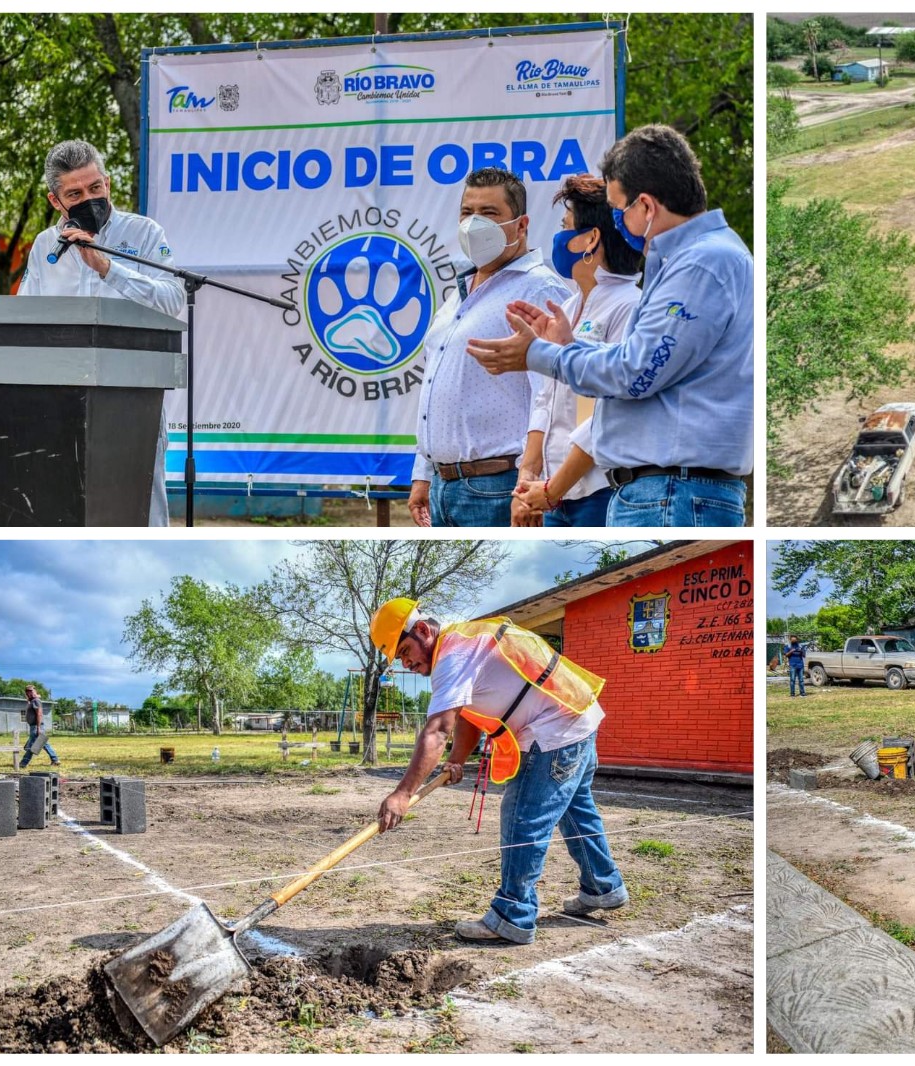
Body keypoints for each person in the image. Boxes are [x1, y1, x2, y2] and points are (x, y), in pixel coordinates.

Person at [469, 125, 752, 527]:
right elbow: (641, 364)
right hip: (662, 490)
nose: (619, 222)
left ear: (647, 207)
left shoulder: (701, 263)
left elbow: (635, 374)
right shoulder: (692, 261)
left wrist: (539, 355)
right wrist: (568, 348)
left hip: (670, 491)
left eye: (620, 210)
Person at [370, 598, 625, 945]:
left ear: (424, 631)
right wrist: (457, 760)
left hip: (554, 730)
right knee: (576, 811)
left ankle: (512, 916)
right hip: (576, 715)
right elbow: (467, 719)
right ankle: (602, 886)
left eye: (405, 650)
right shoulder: (464, 644)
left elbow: (438, 729)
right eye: (399, 658)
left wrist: (402, 793)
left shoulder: (452, 656)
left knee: (523, 818)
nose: (406, 662)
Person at [19, 140, 184, 527]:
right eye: (75, 193)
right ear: (55, 200)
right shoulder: (46, 246)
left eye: (95, 188)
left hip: (133, 394)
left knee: (142, 499)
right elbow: (25, 317)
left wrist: (107, 267)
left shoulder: (143, 233)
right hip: (58, 395)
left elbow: (172, 298)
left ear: (108, 183)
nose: (89, 198)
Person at [410, 168, 571, 528]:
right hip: (443, 486)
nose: (473, 224)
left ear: (522, 224)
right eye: (467, 213)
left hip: (498, 487)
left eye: (490, 213)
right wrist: (423, 473)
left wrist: (530, 482)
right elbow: (434, 386)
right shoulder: (459, 295)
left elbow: (553, 396)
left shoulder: (540, 290)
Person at [511, 175, 642, 528]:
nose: (558, 236)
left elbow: (607, 413)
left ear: (590, 239)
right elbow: (545, 400)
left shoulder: (630, 308)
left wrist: (552, 488)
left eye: (565, 226)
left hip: (598, 493)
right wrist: (526, 481)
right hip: (552, 494)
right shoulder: (567, 309)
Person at [17, 686, 60, 769]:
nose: (29, 693)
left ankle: (23, 763)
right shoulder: (33, 701)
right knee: (43, 743)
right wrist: (30, 699)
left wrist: (38, 727)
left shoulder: (36, 701)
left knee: (32, 745)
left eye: (31, 691)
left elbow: (39, 714)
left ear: (35, 691)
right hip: (34, 726)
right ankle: (55, 759)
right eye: (27, 692)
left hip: (36, 726)